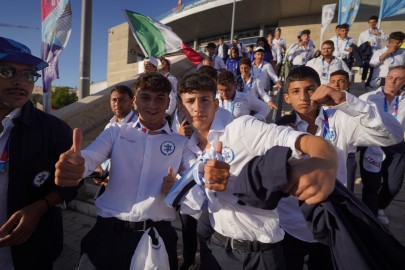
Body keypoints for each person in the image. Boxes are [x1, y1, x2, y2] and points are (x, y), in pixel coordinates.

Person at [54, 72, 231, 270]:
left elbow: (198, 184)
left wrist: (179, 189)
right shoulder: (115, 132)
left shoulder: (180, 143)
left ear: (168, 104)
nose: (152, 105)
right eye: (146, 97)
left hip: (156, 237)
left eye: (159, 99)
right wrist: (77, 165)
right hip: (107, 233)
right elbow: (91, 157)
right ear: (136, 101)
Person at [174, 72, 339, 270]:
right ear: (180, 107)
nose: (197, 108)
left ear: (216, 103)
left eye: (204, 100)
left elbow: (306, 141)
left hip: (260, 250)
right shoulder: (184, 148)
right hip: (217, 246)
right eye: (190, 101)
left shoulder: (242, 128)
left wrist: (326, 161)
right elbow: (196, 203)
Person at [268, 66, 402, 270]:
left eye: (310, 89)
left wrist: (345, 101)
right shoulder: (279, 128)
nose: (303, 96)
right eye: (296, 91)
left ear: (320, 90)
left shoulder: (339, 119)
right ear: (287, 98)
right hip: (290, 224)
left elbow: (393, 134)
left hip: (331, 222)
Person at [0, 36, 79, 269]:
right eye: (7, 71)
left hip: (32, 254)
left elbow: (71, 186)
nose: (20, 81)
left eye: (28, 74)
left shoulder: (54, 130)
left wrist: (41, 206)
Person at [359, 65, 405, 225]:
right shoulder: (368, 98)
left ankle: (379, 207)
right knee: (371, 185)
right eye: (391, 77)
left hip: (397, 146)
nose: (393, 81)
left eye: (398, 78)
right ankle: (370, 217)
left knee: (394, 185)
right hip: (373, 145)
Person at [93, 85, 137, 192]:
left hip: (130, 189)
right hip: (107, 185)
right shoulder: (109, 126)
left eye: (122, 100)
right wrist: (98, 169)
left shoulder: (138, 127)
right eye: (114, 100)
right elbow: (102, 153)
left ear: (132, 101)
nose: (117, 103)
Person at [328, 70, 357, 192]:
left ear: (348, 84)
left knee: (346, 192)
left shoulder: (356, 105)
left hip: (347, 155)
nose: (336, 85)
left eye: (341, 81)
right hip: (324, 152)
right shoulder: (319, 105)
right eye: (333, 81)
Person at [358, 15, 389, 88]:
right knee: (365, 67)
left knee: (373, 68)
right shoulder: (363, 33)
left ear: (376, 23)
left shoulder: (380, 31)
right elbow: (359, 44)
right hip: (366, 54)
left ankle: (369, 83)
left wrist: (379, 34)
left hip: (376, 53)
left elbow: (387, 39)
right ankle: (363, 80)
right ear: (368, 23)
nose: (372, 24)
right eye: (370, 22)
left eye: (374, 22)